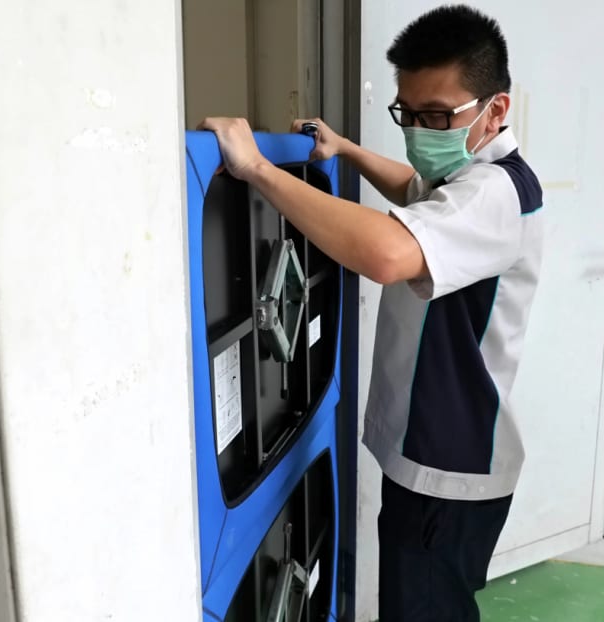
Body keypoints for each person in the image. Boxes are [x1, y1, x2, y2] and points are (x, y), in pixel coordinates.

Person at [198, 5, 543, 621]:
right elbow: (416, 190)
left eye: (436, 116)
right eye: (407, 114)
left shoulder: (496, 193)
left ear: (496, 110)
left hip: (448, 467)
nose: (417, 130)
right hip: (435, 454)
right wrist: (347, 150)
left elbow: (388, 253)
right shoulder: (470, 176)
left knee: (425, 610)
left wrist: (254, 168)